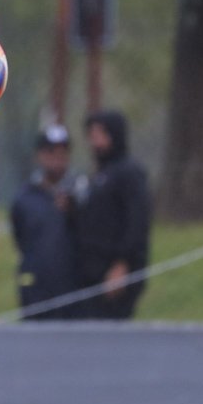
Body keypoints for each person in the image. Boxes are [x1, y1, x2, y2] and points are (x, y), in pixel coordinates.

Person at [71, 110, 152, 320]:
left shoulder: (129, 173)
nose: (95, 141)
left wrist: (122, 265)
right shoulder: (99, 175)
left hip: (115, 274)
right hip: (90, 272)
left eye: (100, 134)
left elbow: (137, 222)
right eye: (92, 135)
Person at [10, 124, 79, 320]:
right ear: (39, 155)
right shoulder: (25, 197)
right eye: (51, 151)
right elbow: (20, 236)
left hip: (73, 284)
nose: (57, 157)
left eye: (63, 151)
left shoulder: (80, 192)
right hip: (35, 283)